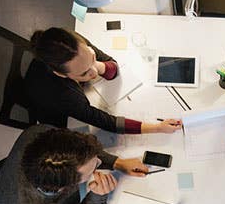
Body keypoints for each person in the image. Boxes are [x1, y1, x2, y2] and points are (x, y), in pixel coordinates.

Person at [0, 124, 150, 204]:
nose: (100, 162)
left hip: (9, 190)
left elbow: (82, 151)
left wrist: (118, 163)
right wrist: (98, 194)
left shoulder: (37, 134)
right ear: (66, 187)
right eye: (94, 168)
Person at [24, 27, 181, 133]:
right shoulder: (62, 94)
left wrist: (96, 65)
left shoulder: (73, 45)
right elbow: (103, 121)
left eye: (92, 57)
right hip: (60, 122)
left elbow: (112, 68)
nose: (93, 74)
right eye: (84, 73)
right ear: (61, 74)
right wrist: (157, 128)